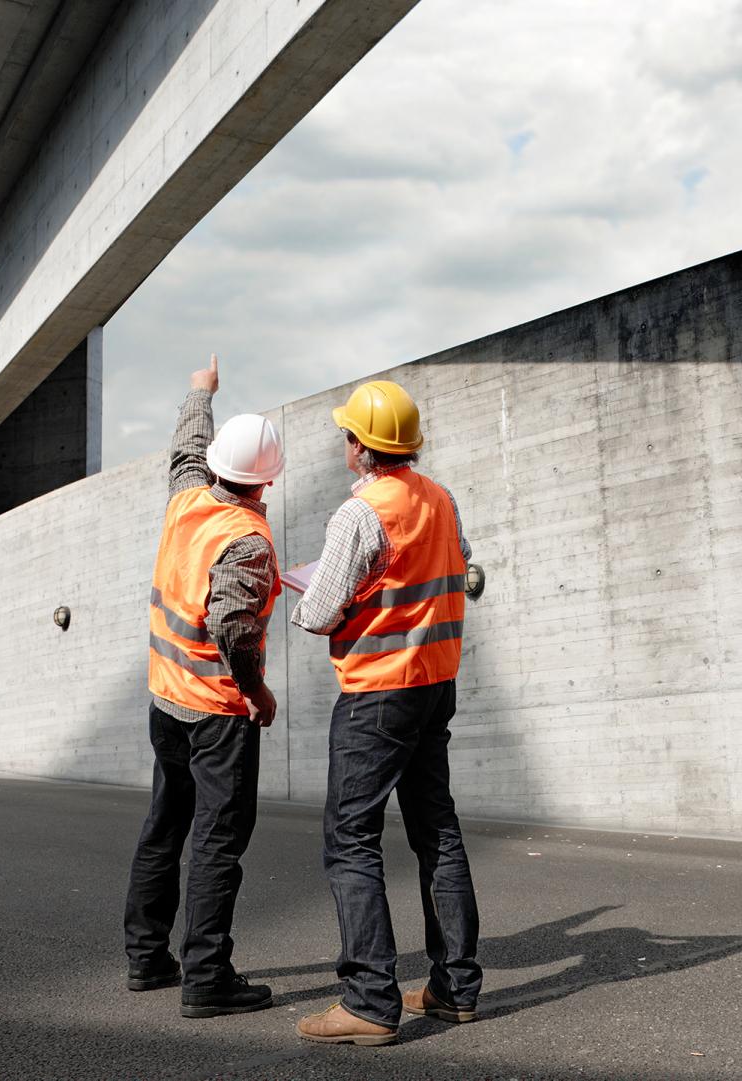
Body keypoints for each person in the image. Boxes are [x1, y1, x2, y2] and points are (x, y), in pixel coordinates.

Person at [291, 379, 483, 1047]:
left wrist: (304, 592)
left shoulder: (359, 515)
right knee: (438, 832)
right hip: (435, 682)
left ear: (359, 446)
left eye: (348, 434)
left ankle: (369, 1000)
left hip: (377, 692)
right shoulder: (441, 499)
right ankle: (453, 987)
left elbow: (318, 613)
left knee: (351, 839)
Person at [124, 355, 283, 1018]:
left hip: (166, 700)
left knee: (166, 823)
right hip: (218, 711)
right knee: (218, 837)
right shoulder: (246, 539)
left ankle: (145, 956)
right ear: (266, 482)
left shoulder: (188, 496)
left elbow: (187, 445)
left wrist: (200, 390)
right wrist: (257, 693)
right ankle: (206, 977)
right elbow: (232, 626)